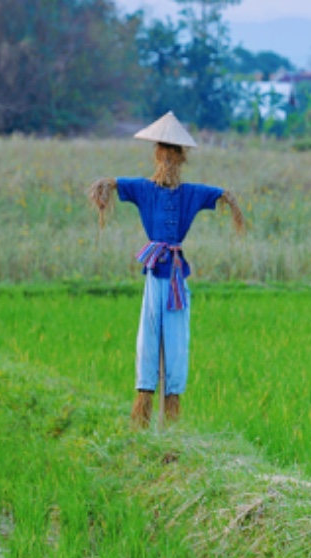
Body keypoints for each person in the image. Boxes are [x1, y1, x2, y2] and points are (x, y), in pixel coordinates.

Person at [87, 112, 245, 428]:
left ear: (180, 157)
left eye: (175, 154)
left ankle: (171, 409)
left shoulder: (190, 193)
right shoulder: (145, 189)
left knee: (175, 339)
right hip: (154, 272)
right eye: (167, 152)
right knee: (148, 337)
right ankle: (143, 406)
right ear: (160, 154)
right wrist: (102, 193)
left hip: (174, 274)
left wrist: (234, 206)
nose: (170, 159)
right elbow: (110, 183)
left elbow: (222, 194)